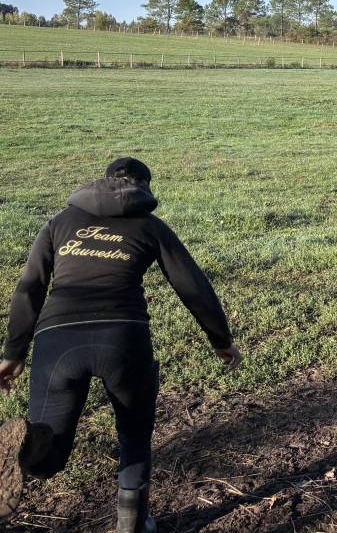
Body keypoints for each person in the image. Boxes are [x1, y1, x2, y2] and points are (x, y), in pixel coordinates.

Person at [0, 158, 241, 533]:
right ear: (144, 187)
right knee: (134, 432)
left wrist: (13, 353)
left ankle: (26, 458)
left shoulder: (59, 223)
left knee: (48, 451)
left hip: (58, 339)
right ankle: (132, 525)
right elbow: (193, 286)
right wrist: (221, 341)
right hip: (124, 339)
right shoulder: (151, 226)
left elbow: (29, 289)